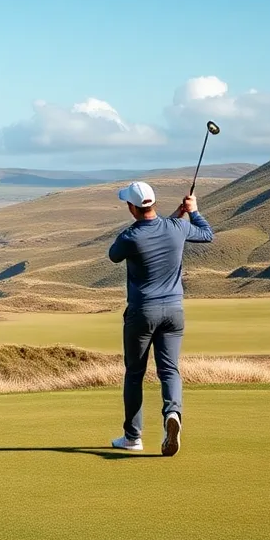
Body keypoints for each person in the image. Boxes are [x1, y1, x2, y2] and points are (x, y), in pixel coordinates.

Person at [107, 181, 213, 456]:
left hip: (142, 311)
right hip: (174, 312)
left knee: (134, 374)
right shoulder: (176, 228)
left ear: (132, 207)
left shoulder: (130, 236)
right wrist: (192, 211)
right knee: (169, 370)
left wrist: (172, 219)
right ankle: (173, 414)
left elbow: (113, 255)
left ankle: (133, 438)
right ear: (153, 203)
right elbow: (206, 234)